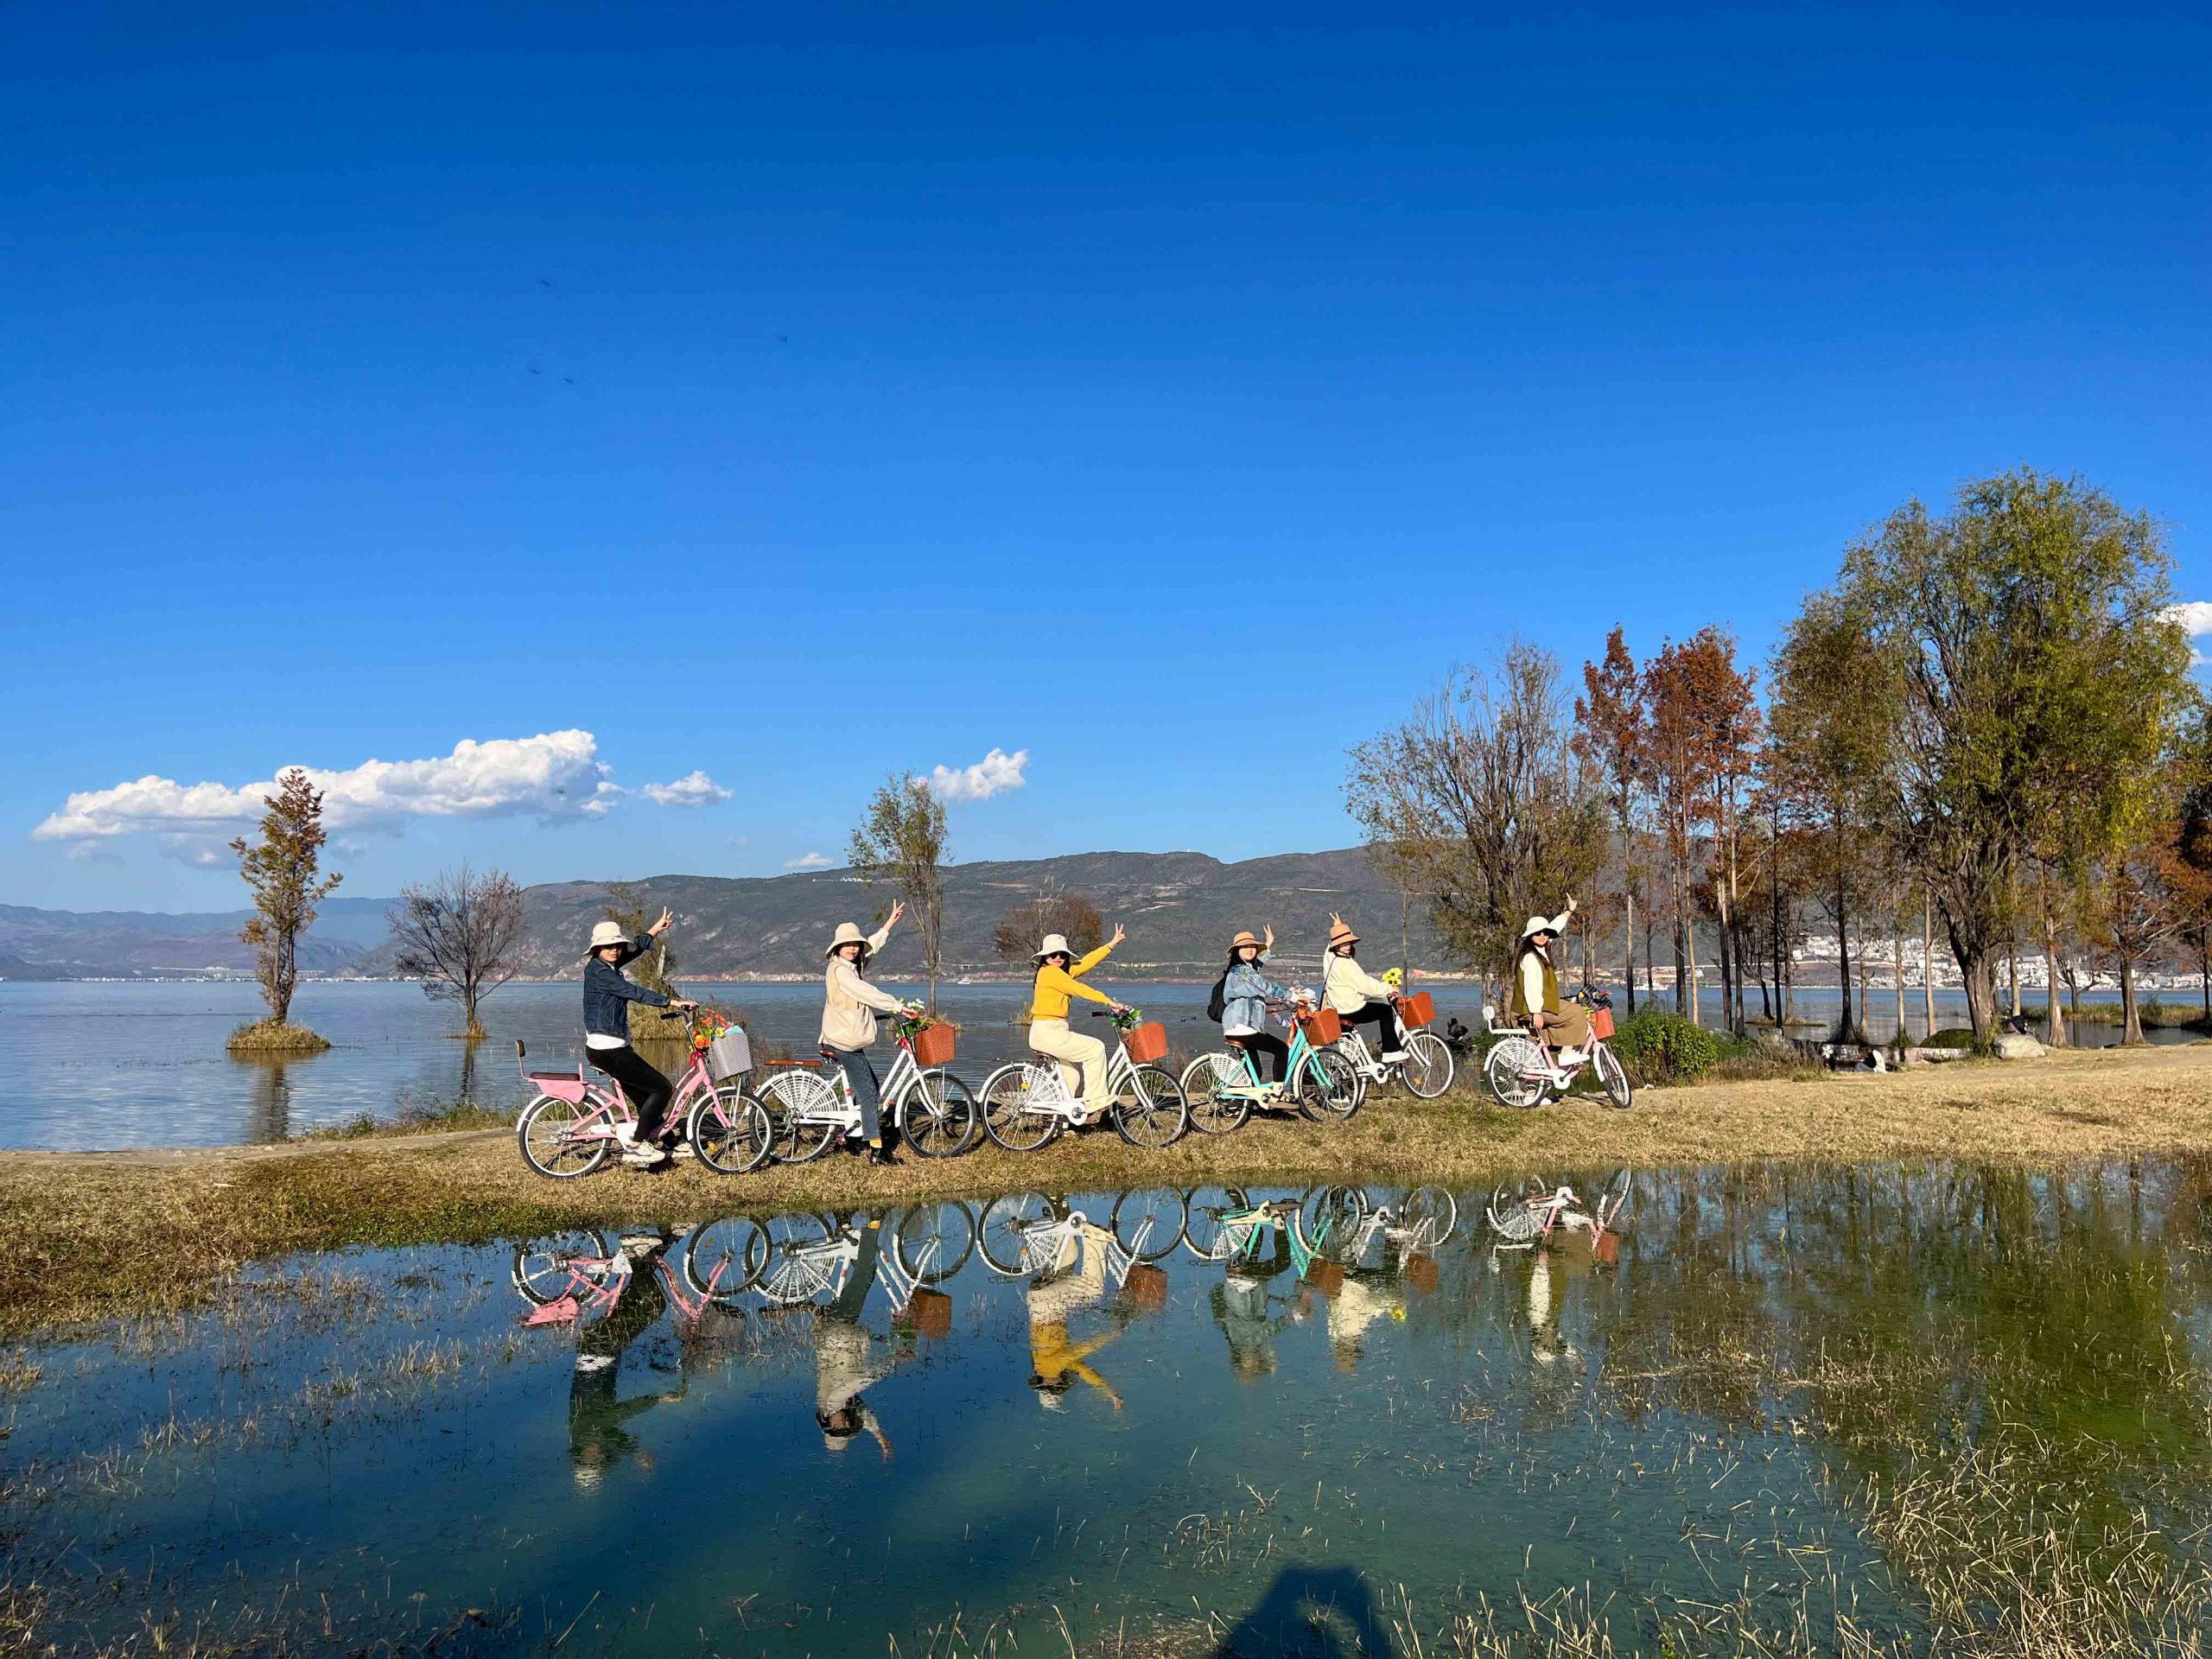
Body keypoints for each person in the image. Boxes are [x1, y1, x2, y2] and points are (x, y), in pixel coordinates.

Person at [583, 911, 696, 1169]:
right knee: (662, 1088)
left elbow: (635, 951)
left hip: (611, 1046)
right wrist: (671, 1001)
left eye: (617, 945)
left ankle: (666, 1139)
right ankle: (636, 1146)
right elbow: (633, 992)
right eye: (608, 946)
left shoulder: (606, 964)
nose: (615, 950)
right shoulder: (600, 973)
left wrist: (656, 929)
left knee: (646, 1096)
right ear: (597, 948)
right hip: (608, 1049)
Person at [820, 902, 909, 1167]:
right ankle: (877, 1151)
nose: (854, 948)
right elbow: (866, 993)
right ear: (837, 947)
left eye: (856, 944)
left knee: (871, 1085)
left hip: (845, 1037)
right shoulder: (841, 972)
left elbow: (873, 945)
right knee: (870, 1094)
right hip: (842, 1041)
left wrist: (889, 923)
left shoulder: (850, 966)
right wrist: (898, 1006)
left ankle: (855, 1130)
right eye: (848, 944)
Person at [813, 1215, 907, 1457]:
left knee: (865, 1274)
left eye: (837, 1427)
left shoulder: (833, 1403)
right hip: (836, 1331)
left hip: (840, 1328)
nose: (842, 1424)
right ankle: (846, 1226)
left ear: (828, 1423)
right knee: (864, 1273)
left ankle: (872, 1225)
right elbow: (864, 1413)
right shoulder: (841, 1404)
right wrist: (880, 1437)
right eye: (845, 1428)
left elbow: (861, 1381)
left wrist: (892, 1363)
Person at [1027, 926, 1128, 1124]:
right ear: (1044, 957)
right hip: (1049, 1031)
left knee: (1071, 1077)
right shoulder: (1050, 973)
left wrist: (1111, 945)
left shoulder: (1060, 972)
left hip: (1049, 1031)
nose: (1058, 957)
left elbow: (1085, 963)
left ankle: (1059, 1124)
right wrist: (1109, 1001)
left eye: (1062, 954)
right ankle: (1094, 1099)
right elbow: (1078, 989)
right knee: (1095, 1048)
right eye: (1053, 954)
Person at [1027, 1221, 1126, 1410]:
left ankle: (1095, 1239)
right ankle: (1064, 1219)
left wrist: (1110, 1336)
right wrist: (1108, 1392)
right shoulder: (1042, 1362)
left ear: (1048, 1383)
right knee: (1067, 1262)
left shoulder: (1051, 1366)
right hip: (1037, 1300)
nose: (1059, 1382)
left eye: (1056, 1386)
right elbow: (1083, 1370)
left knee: (1093, 1290)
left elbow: (1081, 1350)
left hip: (1049, 1304)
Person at [1510, 899, 1586, 1065]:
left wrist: (1568, 911)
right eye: (1538, 933)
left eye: (1546, 933)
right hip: (1531, 1008)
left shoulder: (1541, 949)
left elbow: (1555, 926)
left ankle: (1535, 1086)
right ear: (1530, 936)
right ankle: (1566, 1055)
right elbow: (1532, 987)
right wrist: (1536, 1012)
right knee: (1577, 1012)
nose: (1543, 936)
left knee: (1541, 1047)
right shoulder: (1531, 957)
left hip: (1533, 1006)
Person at [1322, 914, 1402, 1063]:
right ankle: (1391, 1052)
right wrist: (1389, 989)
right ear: (1337, 945)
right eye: (1344, 943)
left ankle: (1348, 1065)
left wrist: (1338, 927)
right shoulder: (1346, 964)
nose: (1348, 946)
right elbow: (1365, 984)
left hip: (1337, 1009)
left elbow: (1328, 948)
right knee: (1384, 1011)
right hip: (1351, 1008)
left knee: (1346, 1045)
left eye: (1349, 943)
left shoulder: (1329, 958)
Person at [1219, 929, 1294, 1085]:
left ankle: (1242, 1103)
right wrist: (1291, 996)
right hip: (1243, 1026)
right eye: (1244, 947)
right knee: (1281, 1050)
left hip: (1237, 1027)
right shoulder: (1241, 970)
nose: (1250, 949)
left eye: (1252, 946)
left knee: (1255, 1072)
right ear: (1237, 951)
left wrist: (1268, 944)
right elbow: (1263, 986)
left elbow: (1257, 966)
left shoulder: (1245, 969)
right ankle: (1277, 1091)